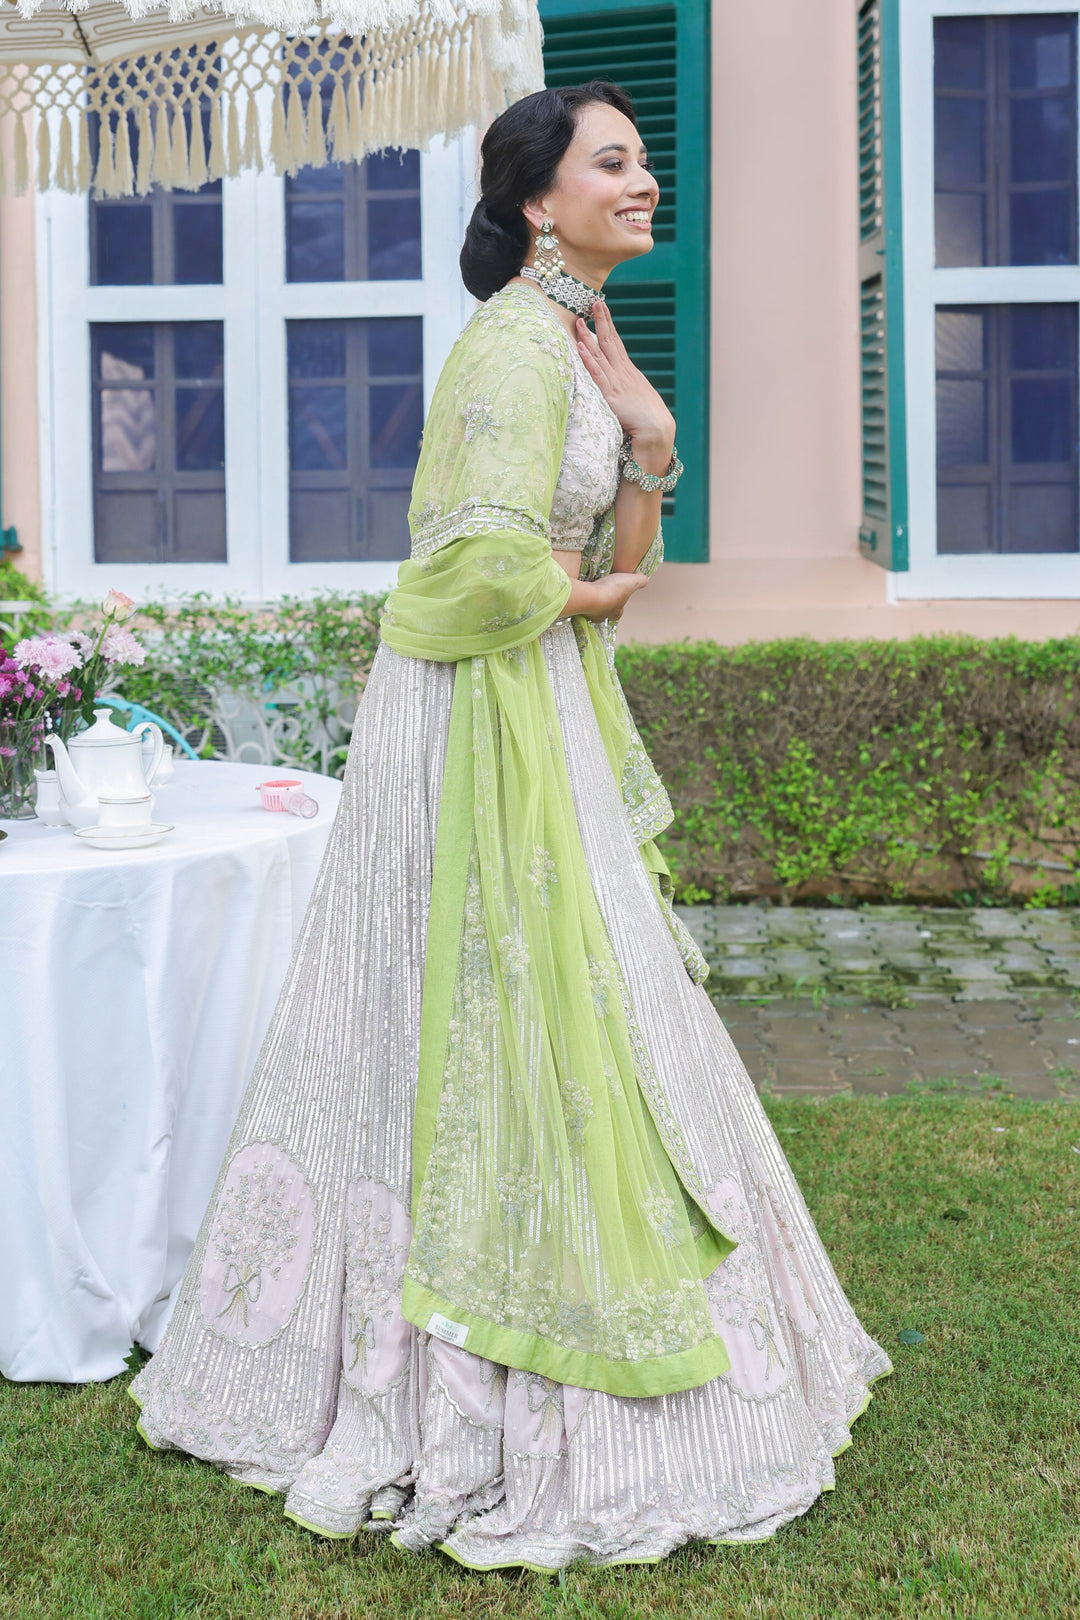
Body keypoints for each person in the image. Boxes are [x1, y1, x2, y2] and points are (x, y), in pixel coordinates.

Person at [131, 80, 890, 1570]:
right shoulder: (506, 348)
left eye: (647, 164)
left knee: (591, 1006)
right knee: (506, 1016)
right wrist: (589, 595)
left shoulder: (571, 344)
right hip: (474, 718)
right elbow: (463, 565)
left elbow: (612, 537)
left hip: (532, 711)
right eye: (615, 164)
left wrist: (651, 435)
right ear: (538, 198)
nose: (645, 183)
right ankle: (458, 1378)